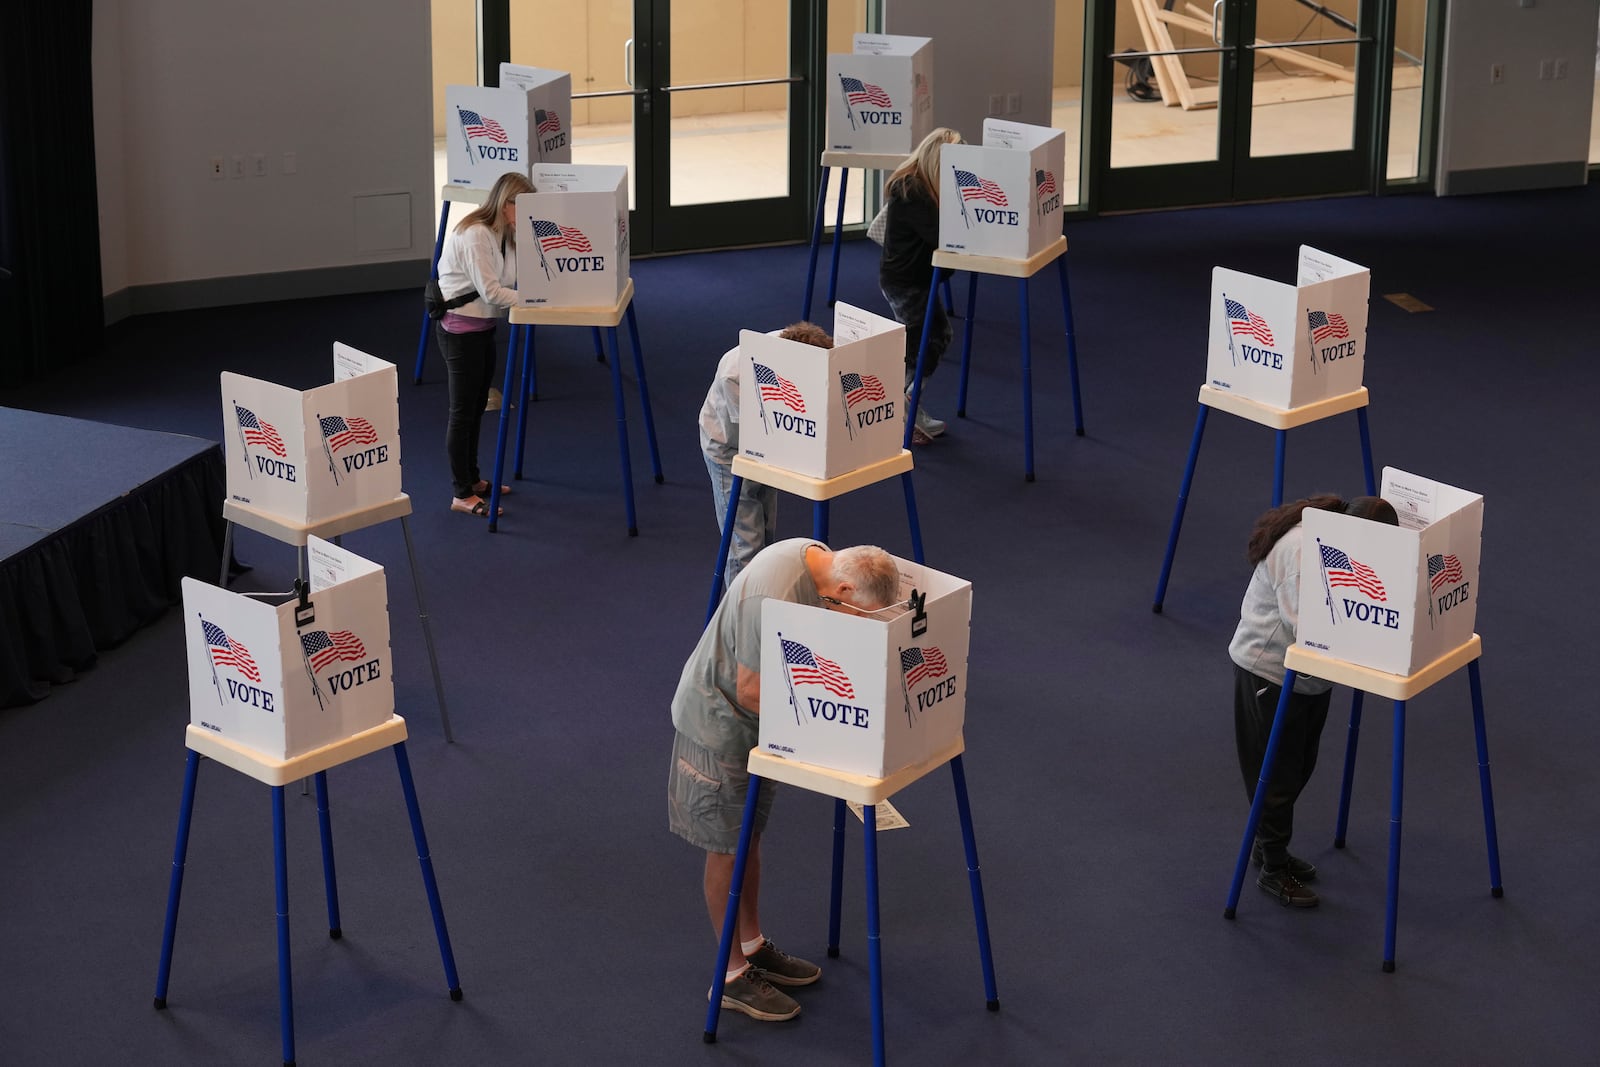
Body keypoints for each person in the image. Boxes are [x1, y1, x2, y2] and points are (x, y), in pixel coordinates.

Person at [668, 538, 901, 1021]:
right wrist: (835, 727)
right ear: (840, 588)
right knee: (727, 847)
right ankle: (730, 977)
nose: (855, 627)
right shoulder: (771, 596)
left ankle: (752, 946)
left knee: (748, 839)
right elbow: (752, 690)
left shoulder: (817, 560)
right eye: (856, 615)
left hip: (760, 728)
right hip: (721, 723)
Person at [1229, 493, 1399, 908]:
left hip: (1310, 679)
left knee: (1300, 765)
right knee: (1277, 776)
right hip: (1268, 672)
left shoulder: (1339, 541)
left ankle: (1266, 848)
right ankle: (1272, 869)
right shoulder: (1303, 550)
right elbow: (1304, 623)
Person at [700, 322, 834, 586]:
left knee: (766, 534)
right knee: (745, 545)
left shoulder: (796, 344)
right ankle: (744, 616)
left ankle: (763, 600)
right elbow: (761, 430)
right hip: (730, 450)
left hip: (767, 449)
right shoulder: (736, 373)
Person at [434, 170, 534, 517]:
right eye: (523, 206)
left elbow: (511, 281)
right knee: (462, 412)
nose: (528, 213)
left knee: (478, 406)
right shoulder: (476, 234)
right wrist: (538, 298)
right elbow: (493, 291)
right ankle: (461, 493)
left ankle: (473, 480)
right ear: (505, 204)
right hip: (460, 332)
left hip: (482, 327)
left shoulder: (505, 233)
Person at [879, 126, 962, 445]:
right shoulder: (913, 191)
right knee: (930, 341)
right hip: (907, 282)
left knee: (925, 342)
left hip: (912, 279)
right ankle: (905, 408)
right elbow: (944, 238)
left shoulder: (916, 185)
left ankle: (904, 406)